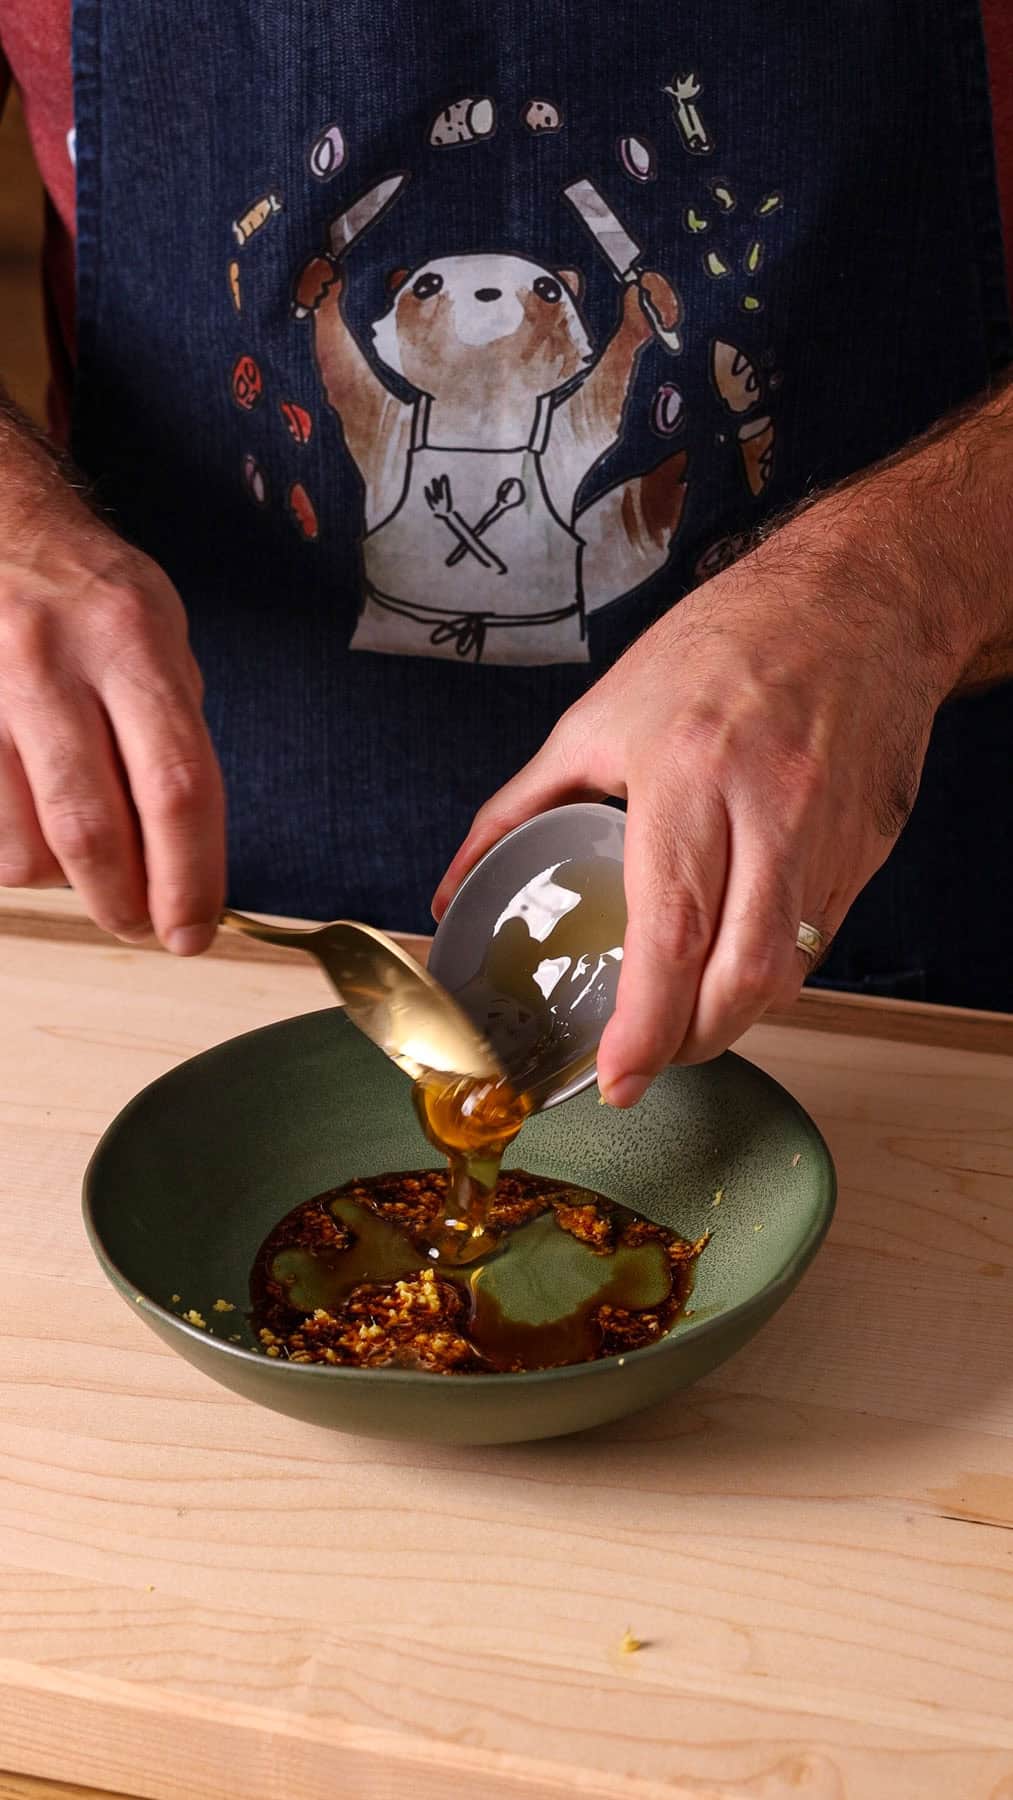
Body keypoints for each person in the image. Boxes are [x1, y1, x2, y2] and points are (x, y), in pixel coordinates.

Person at [0, 2, 1011, 1110]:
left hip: (882, 919)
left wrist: (889, 583)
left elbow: (620, 375)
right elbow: (343, 373)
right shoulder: (381, 414)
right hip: (181, 887)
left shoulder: (573, 416)